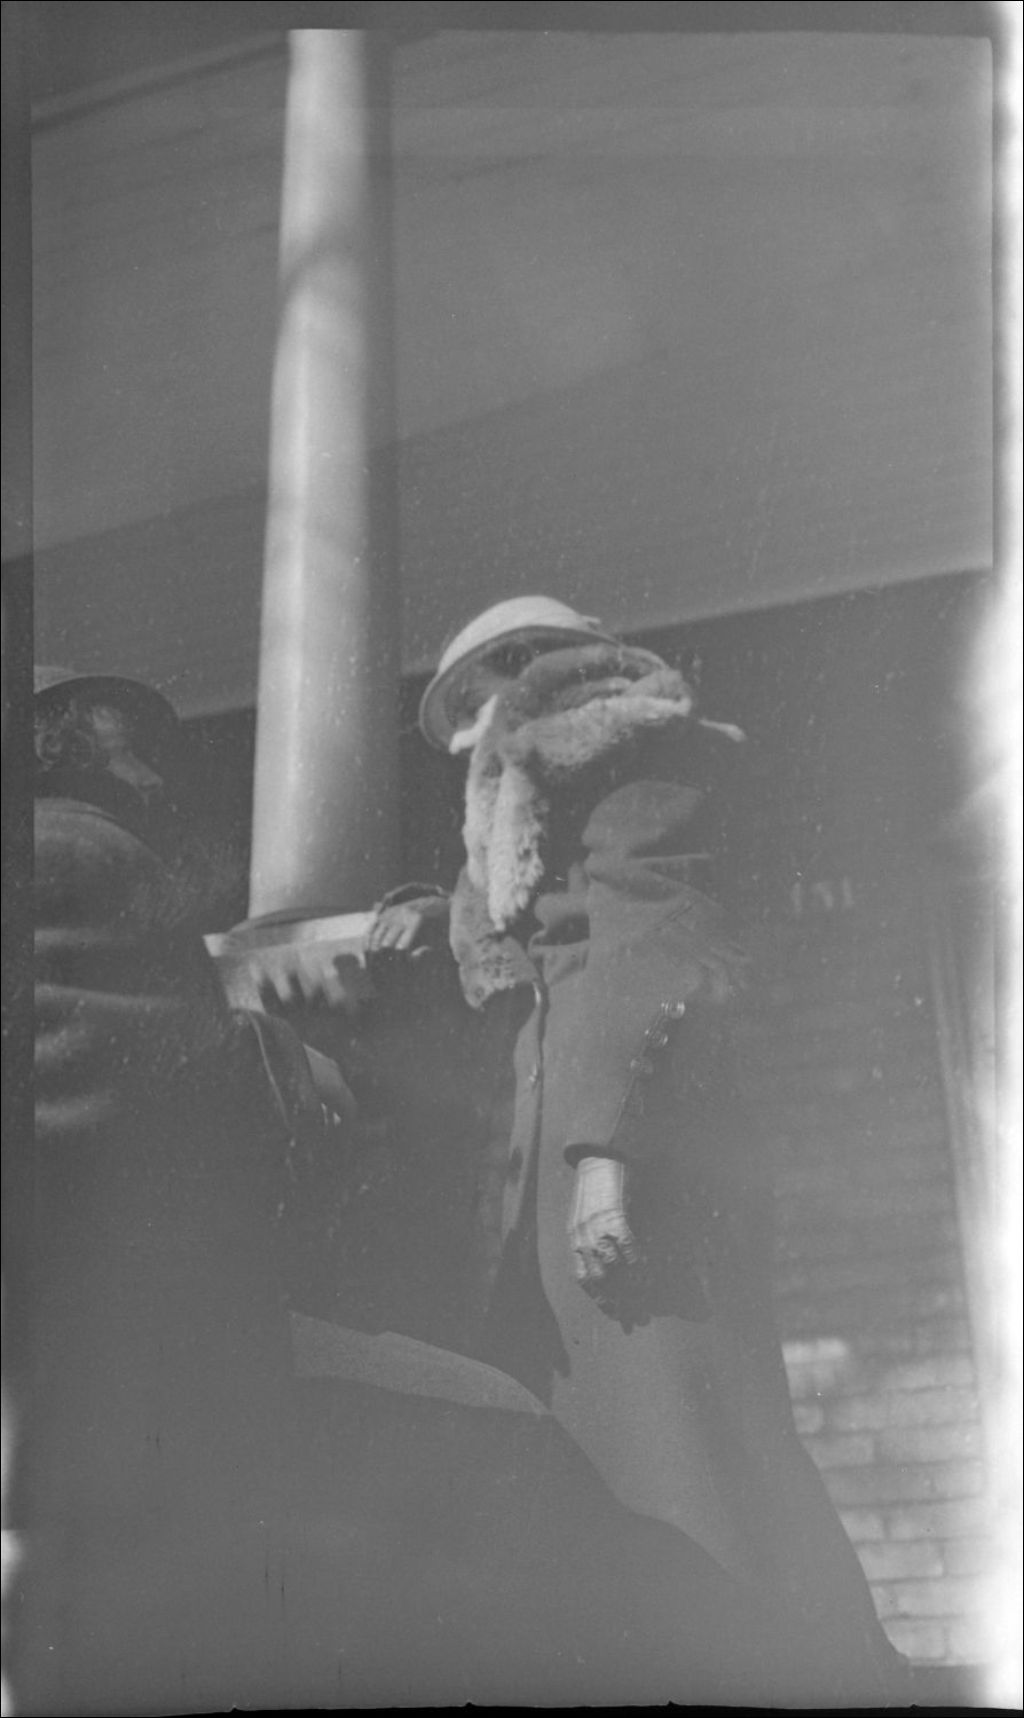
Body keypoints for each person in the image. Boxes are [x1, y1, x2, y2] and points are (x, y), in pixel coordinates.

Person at [373, 595, 910, 1701]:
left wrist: (608, 1161)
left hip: (638, 1159)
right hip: (567, 1165)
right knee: (615, 1466)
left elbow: (656, 946)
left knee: (685, 1450)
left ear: (533, 672)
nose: (467, 731)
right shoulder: (544, 798)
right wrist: (442, 917)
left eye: (475, 698)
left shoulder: (633, 753)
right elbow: (546, 931)